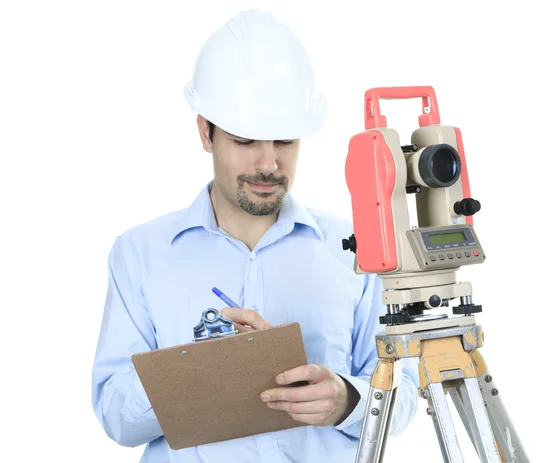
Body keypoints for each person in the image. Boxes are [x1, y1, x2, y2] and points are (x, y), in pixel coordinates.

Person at [92, 8, 418, 463]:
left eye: (284, 140)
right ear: (206, 132)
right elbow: (114, 415)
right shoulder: (140, 254)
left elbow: (405, 391)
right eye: (245, 140)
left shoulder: (356, 249)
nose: (268, 164)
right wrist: (208, 372)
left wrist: (345, 400)